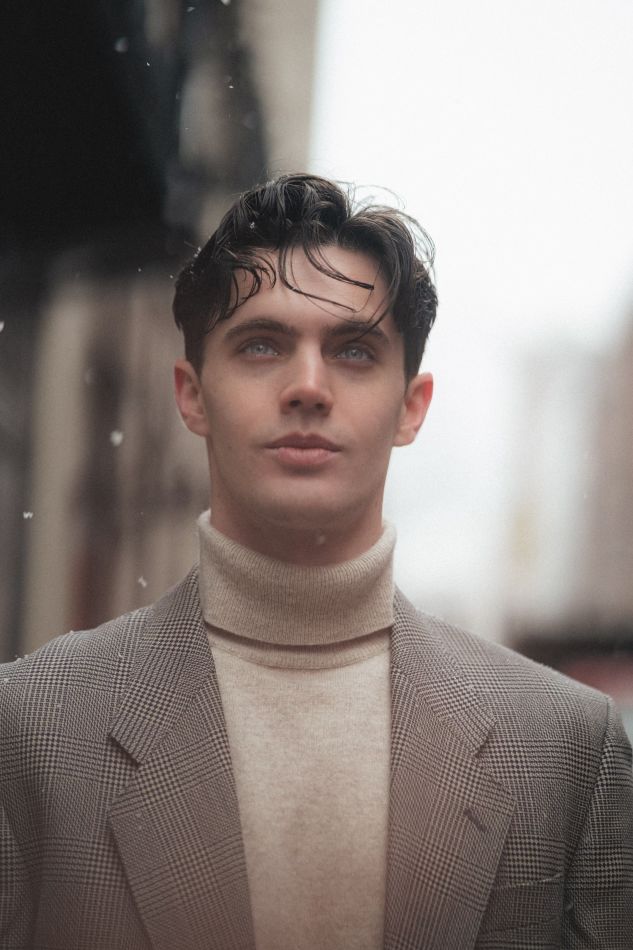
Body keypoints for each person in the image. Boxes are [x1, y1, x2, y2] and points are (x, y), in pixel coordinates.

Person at [1, 173, 631, 950]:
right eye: (262, 345)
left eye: (354, 351)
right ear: (191, 395)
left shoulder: (566, 748)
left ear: (411, 407)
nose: (307, 387)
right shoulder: (30, 726)